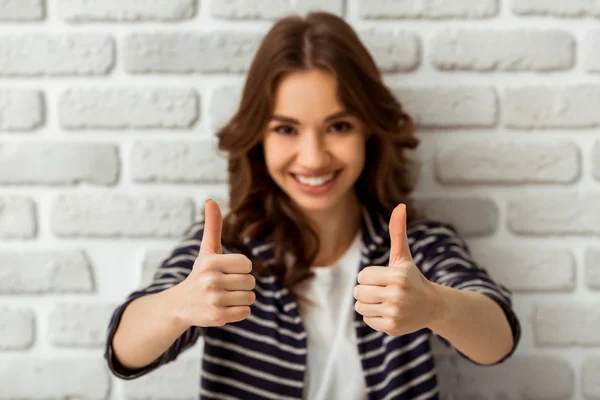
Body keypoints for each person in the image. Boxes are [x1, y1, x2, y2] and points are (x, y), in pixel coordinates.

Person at [104, 11, 520, 400]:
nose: (313, 158)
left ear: (368, 133)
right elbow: (124, 352)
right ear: (259, 139)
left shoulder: (417, 249)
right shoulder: (226, 252)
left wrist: (434, 306)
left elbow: (497, 342)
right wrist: (179, 305)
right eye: (286, 129)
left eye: (338, 127)